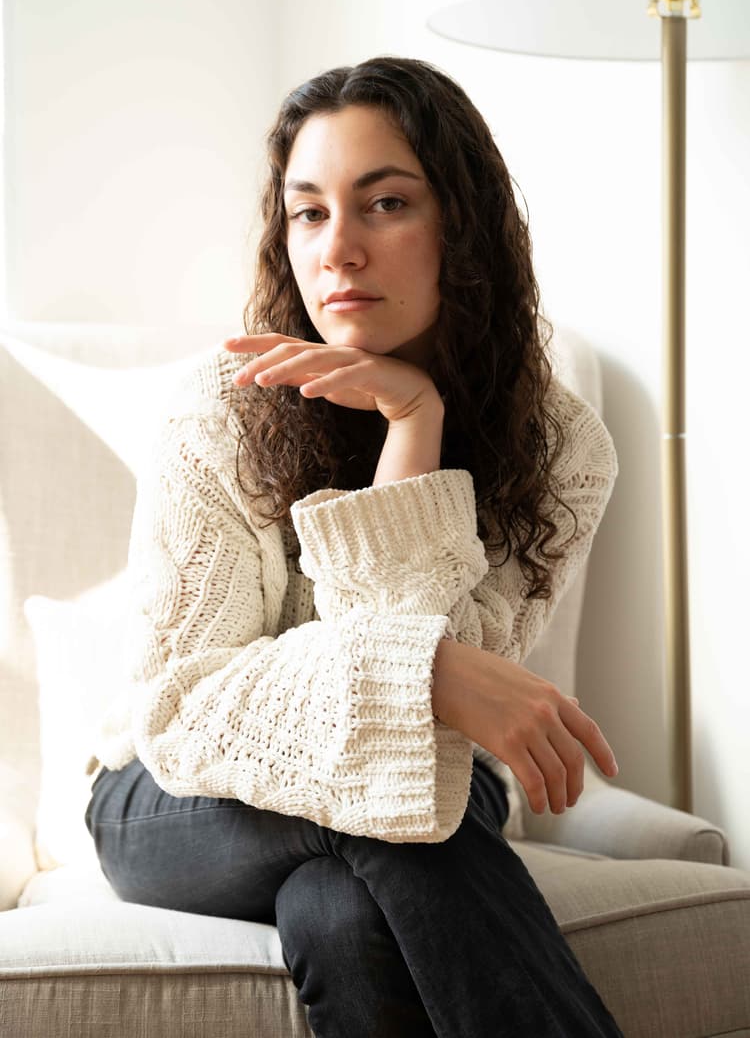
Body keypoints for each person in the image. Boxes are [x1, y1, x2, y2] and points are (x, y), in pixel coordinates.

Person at [84, 55, 624, 1037]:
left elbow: (419, 741)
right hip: (174, 799)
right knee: (405, 799)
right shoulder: (222, 410)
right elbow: (180, 706)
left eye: (382, 203)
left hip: (414, 803)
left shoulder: (563, 448)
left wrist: (411, 424)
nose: (338, 249)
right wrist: (420, 679)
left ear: (464, 223)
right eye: (309, 212)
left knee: (342, 907)